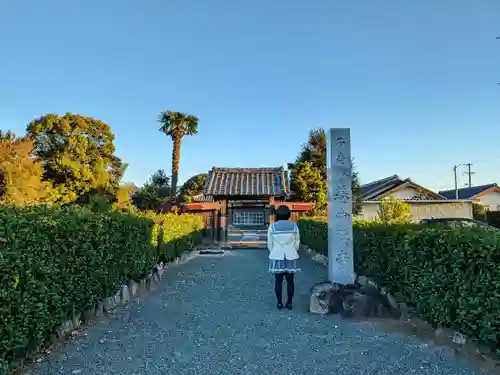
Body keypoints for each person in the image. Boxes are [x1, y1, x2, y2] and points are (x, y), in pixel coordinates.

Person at [267, 205, 300, 310]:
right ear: (288, 215)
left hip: (277, 255)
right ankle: (289, 303)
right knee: (290, 281)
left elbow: (269, 243)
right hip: (290, 255)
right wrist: (293, 249)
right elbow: (297, 242)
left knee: (278, 281)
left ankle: (279, 303)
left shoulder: (272, 226)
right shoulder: (294, 226)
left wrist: (274, 251)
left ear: (278, 214)